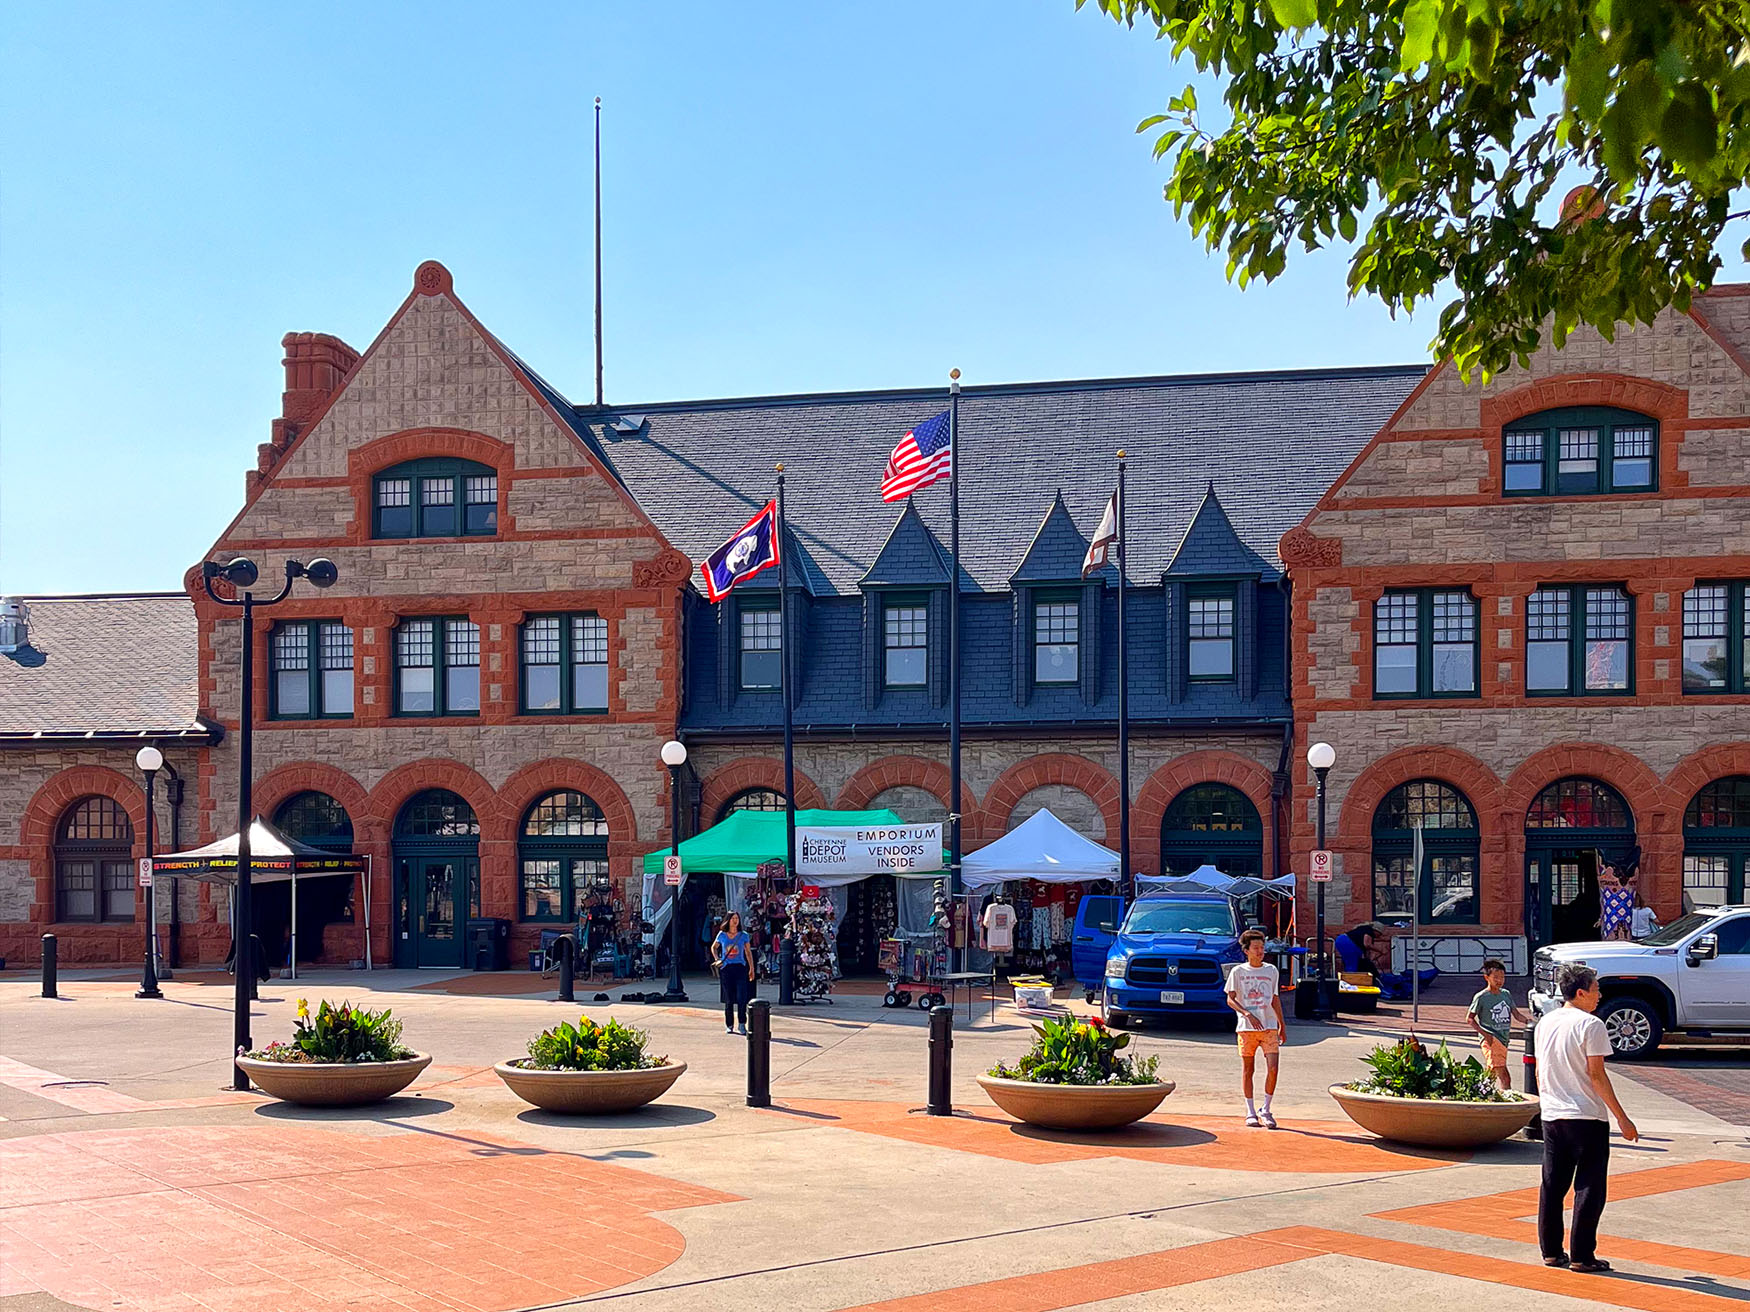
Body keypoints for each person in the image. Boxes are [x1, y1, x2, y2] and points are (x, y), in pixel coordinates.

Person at [1535, 963, 1638, 1274]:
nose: (1599, 995)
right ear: (1580, 993)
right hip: (1586, 1117)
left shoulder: (1546, 1022)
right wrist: (1623, 1118)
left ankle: (1552, 1251)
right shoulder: (1591, 1026)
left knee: (1552, 1185)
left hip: (1553, 1115)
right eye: (1595, 990)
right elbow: (1597, 1075)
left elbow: (1541, 1070)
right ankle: (1582, 1255)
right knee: (1589, 1186)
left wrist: (1550, 1101)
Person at [1226, 927, 1286, 1129]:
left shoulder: (1271, 971)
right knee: (1248, 1070)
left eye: (1262, 947)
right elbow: (1230, 999)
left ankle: (1266, 1109)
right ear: (1247, 950)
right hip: (1246, 1028)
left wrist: (1281, 1025)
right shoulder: (1238, 971)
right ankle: (1250, 1111)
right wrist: (1246, 1013)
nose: (1260, 951)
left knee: (1273, 1068)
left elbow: (1275, 998)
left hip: (1268, 1027)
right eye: (1256, 948)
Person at [1465, 958, 1529, 1093]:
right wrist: (1486, 1035)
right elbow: (1470, 1019)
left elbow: (1516, 1014)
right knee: (1504, 1076)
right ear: (1486, 977)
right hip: (1491, 1040)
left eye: (1502, 977)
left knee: (1492, 1072)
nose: (1499, 980)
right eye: (1496, 977)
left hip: (1504, 1039)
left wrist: (1528, 1022)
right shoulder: (1481, 997)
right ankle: (1508, 1097)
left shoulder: (1506, 994)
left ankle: (1480, 1093)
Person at [712, 911, 756, 1035]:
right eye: (733, 918)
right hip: (726, 968)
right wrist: (717, 959)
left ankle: (742, 1024)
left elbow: (748, 952)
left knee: (742, 997)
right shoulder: (722, 934)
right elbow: (714, 947)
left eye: (737, 918)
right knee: (729, 998)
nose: (735, 921)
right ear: (728, 920)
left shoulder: (743, 935)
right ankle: (729, 1024)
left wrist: (751, 968)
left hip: (740, 968)